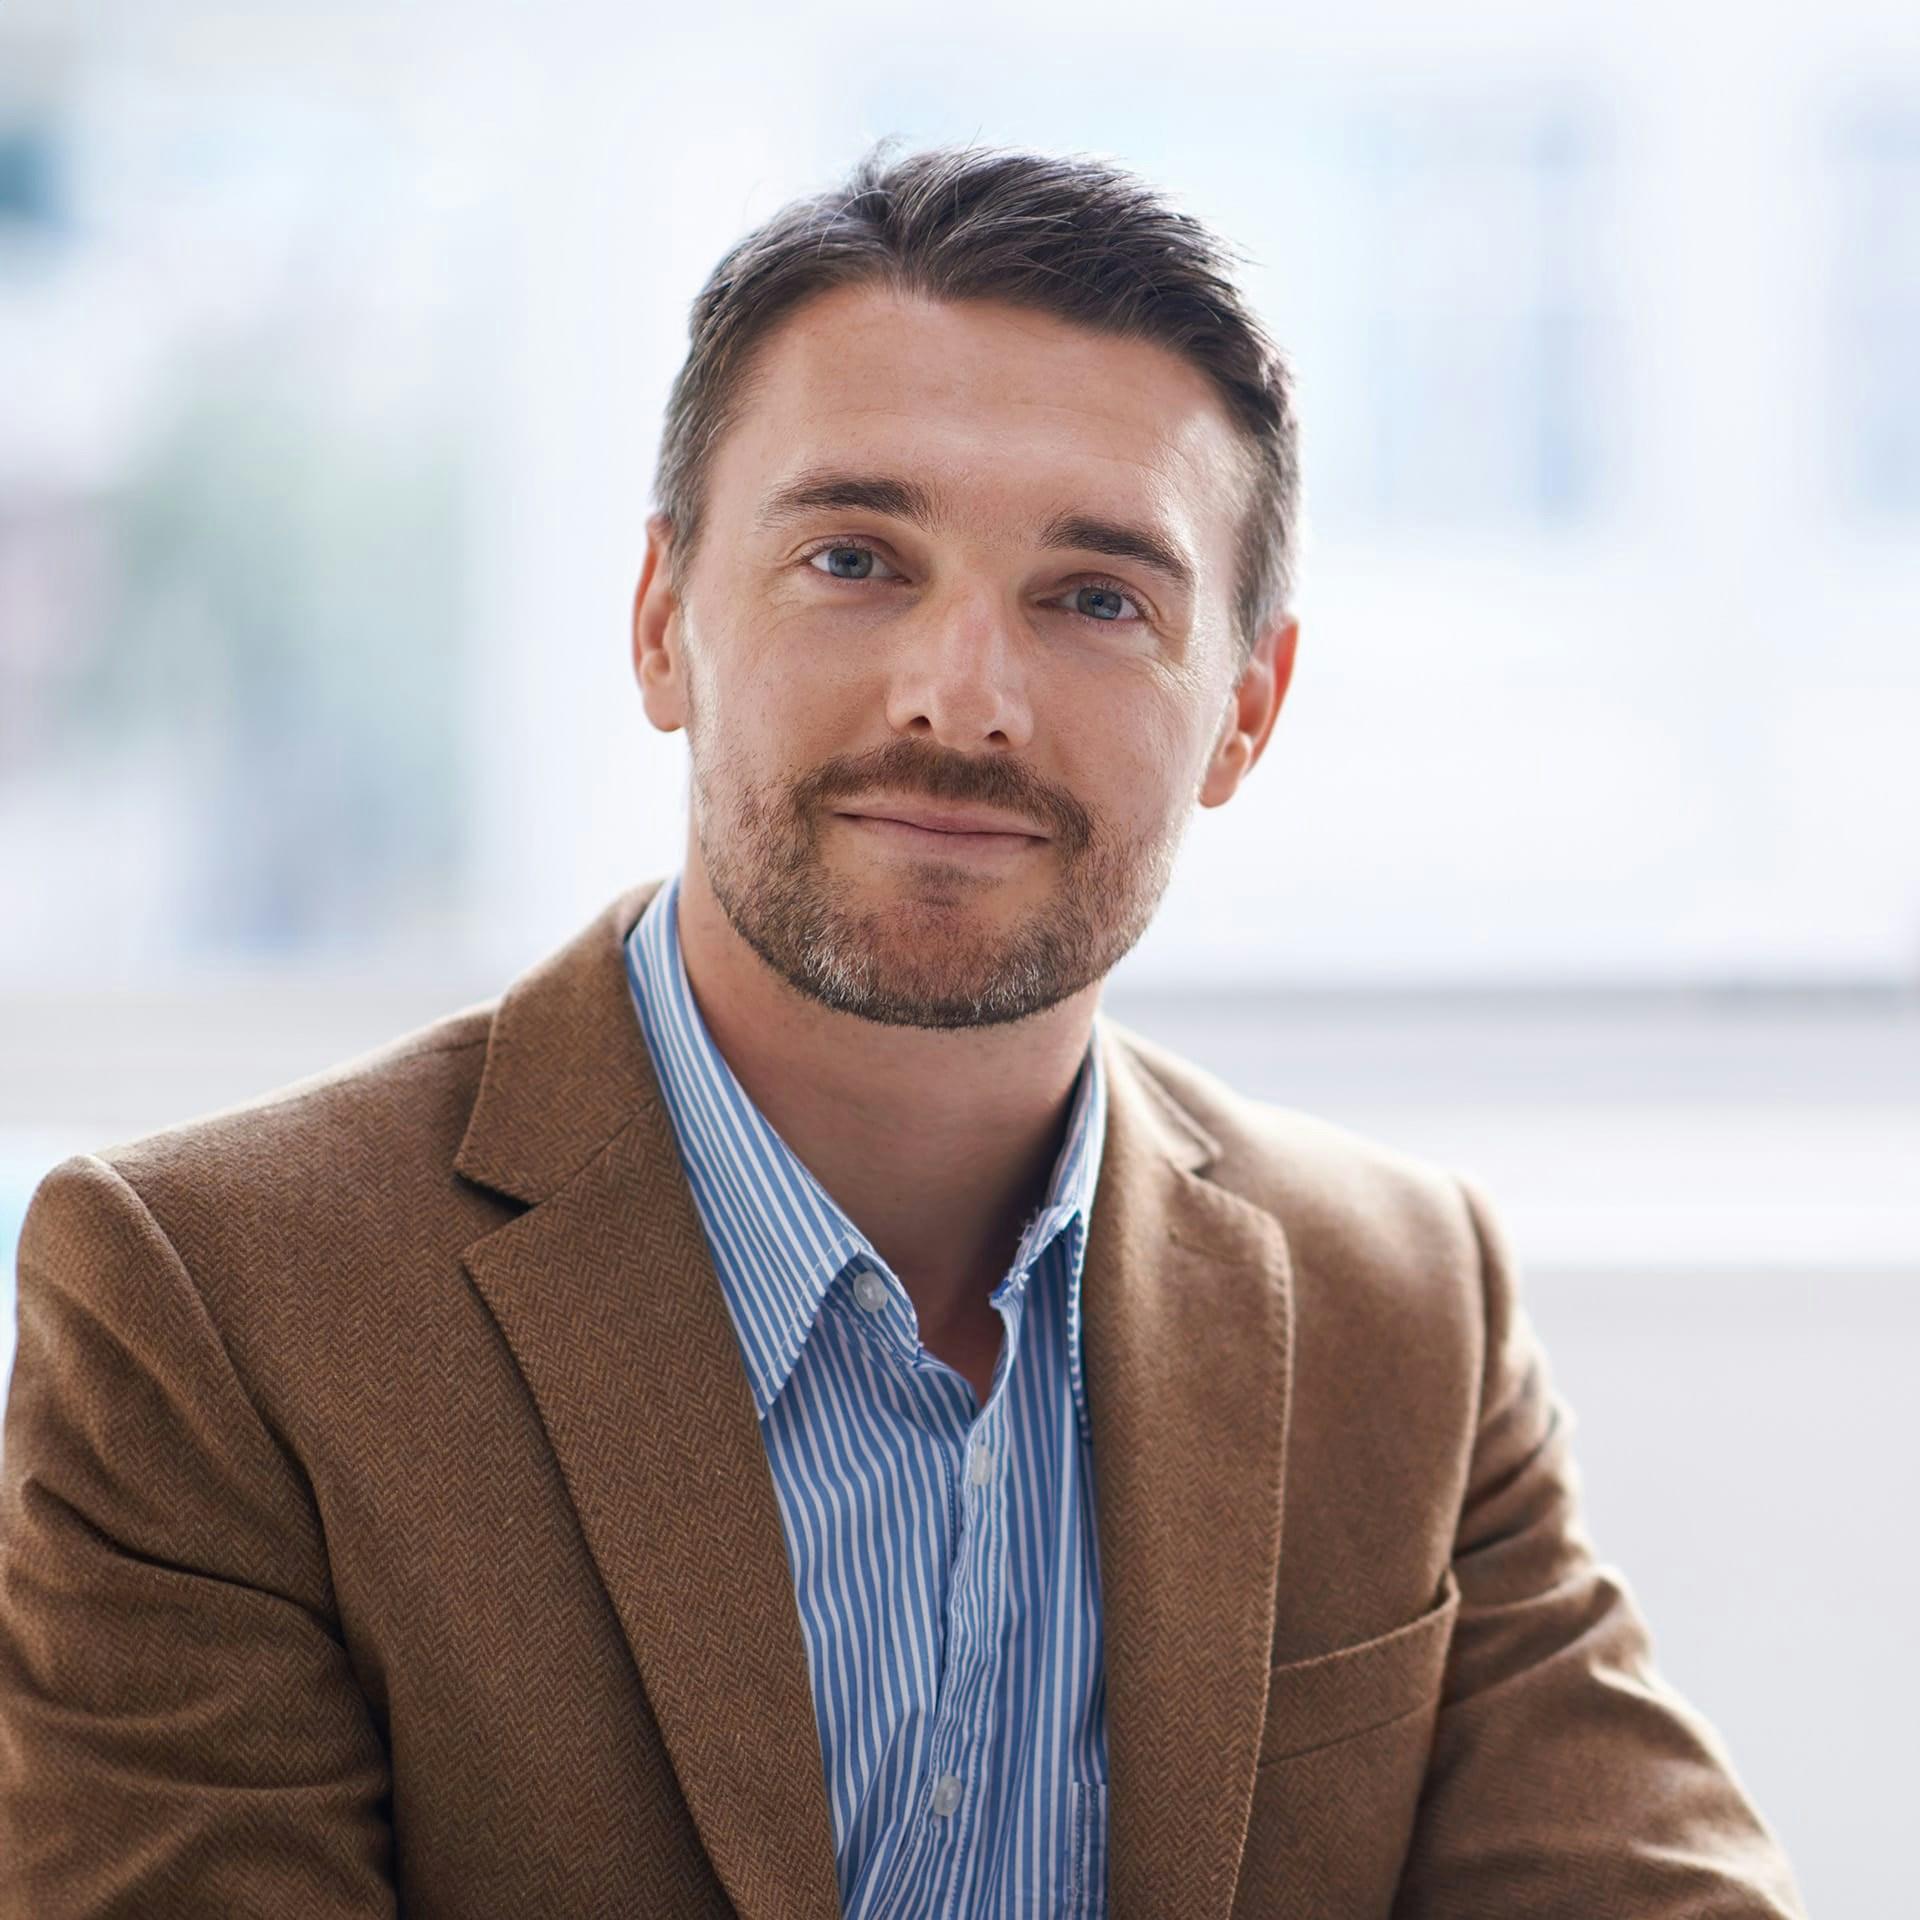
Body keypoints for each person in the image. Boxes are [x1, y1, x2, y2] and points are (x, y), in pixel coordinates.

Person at [0, 142, 1807, 1920]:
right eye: (856, 559)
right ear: (661, 623)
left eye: (1099, 598)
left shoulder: (1400, 1303)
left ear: (1245, 712)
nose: (966, 696)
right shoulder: (213, 1305)